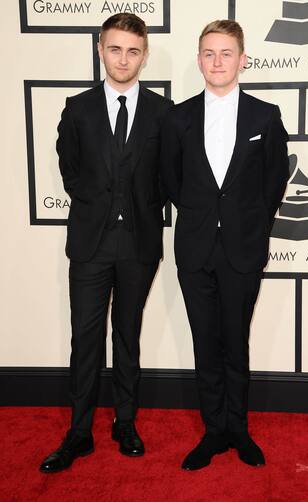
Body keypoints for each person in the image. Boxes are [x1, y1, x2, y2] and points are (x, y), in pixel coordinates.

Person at [40, 13, 172, 473]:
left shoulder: (162, 111)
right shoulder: (77, 108)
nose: (123, 58)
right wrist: (100, 204)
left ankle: (125, 422)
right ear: (101, 49)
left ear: (144, 55)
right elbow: (70, 169)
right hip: (91, 244)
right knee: (85, 339)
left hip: (139, 244)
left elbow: (168, 176)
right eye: (115, 48)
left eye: (133, 50)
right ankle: (78, 433)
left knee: (129, 337)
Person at [161, 20, 289, 471]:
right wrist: (202, 217)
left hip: (242, 250)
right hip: (195, 250)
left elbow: (274, 182)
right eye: (209, 53)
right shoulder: (177, 117)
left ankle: (239, 427)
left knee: (236, 341)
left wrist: (244, 224)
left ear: (243, 59)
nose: (217, 61)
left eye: (226, 53)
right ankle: (214, 430)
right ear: (199, 61)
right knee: (205, 343)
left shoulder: (264, 116)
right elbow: (171, 181)